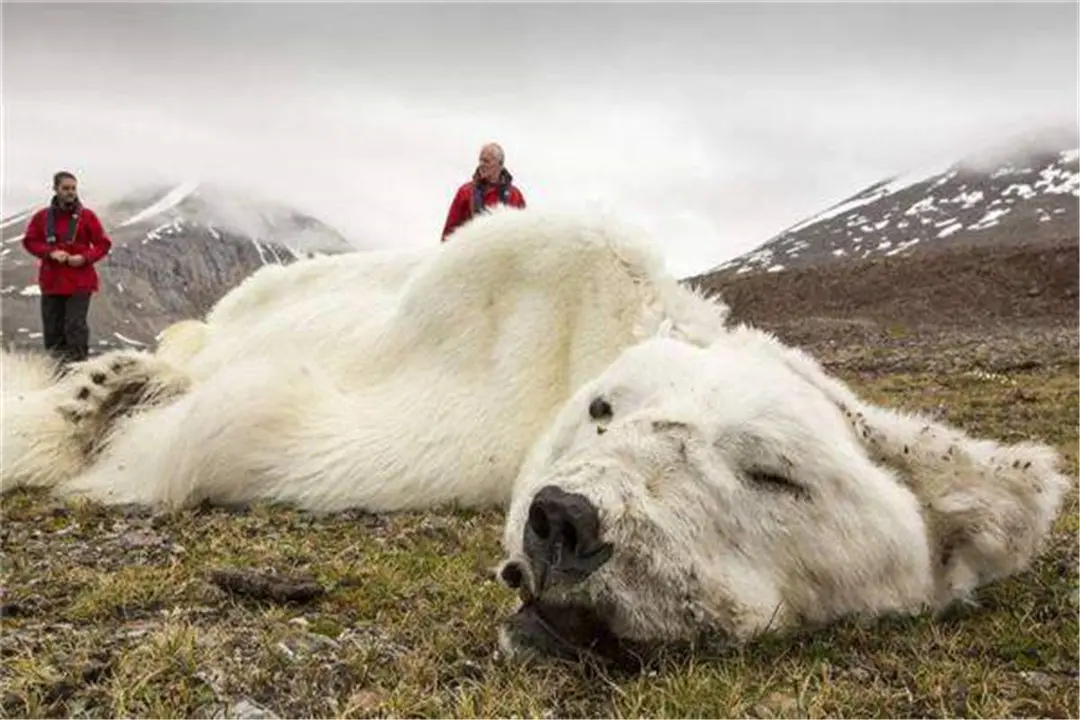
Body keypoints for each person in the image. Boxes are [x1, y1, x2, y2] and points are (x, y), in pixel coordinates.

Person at [21, 171, 112, 364]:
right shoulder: (41, 217)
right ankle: (57, 372)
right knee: (53, 330)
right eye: (66, 188)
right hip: (51, 282)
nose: (71, 192)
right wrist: (50, 252)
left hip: (80, 282)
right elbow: (30, 241)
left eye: (73, 188)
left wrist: (84, 257)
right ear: (56, 189)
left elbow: (103, 244)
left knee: (75, 327)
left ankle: (78, 373)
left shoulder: (87, 217)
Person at [441, 142, 526, 242]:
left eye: (486, 161)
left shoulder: (515, 195)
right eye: (480, 160)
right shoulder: (465, 192)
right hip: (472, 251)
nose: (481, 165)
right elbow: (449, 232)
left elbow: (523, 232)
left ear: (500, 164)